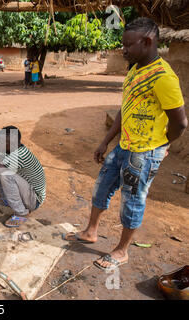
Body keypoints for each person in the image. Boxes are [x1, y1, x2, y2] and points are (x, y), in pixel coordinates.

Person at [63, 18, 187, 270]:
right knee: (101, 188)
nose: (123, 50)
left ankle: (121, 251)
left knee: (132, 201)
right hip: (123, 147)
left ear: (148, 42)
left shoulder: (164, 78)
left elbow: (180, 123)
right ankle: (90, 232)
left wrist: (161, 147)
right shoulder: (134, 70)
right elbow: (125, 109)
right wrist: (105, 141)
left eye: (128, 45)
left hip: (144, 154)